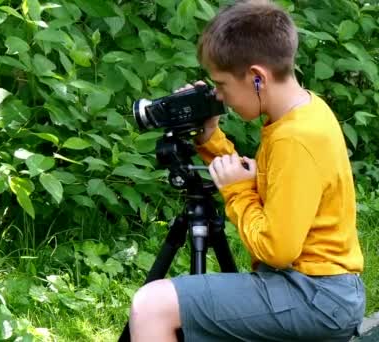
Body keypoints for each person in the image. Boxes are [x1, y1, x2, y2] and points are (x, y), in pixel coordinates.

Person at [127, 0, 366, 341]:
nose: (220, 97)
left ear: (257, 78)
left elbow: (276, 250)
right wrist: (210, 138)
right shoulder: (304, 113)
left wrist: (236, 191)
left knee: (151, 305)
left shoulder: (294, 139)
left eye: (222, 85)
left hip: (315, 296)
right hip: (323, 291)